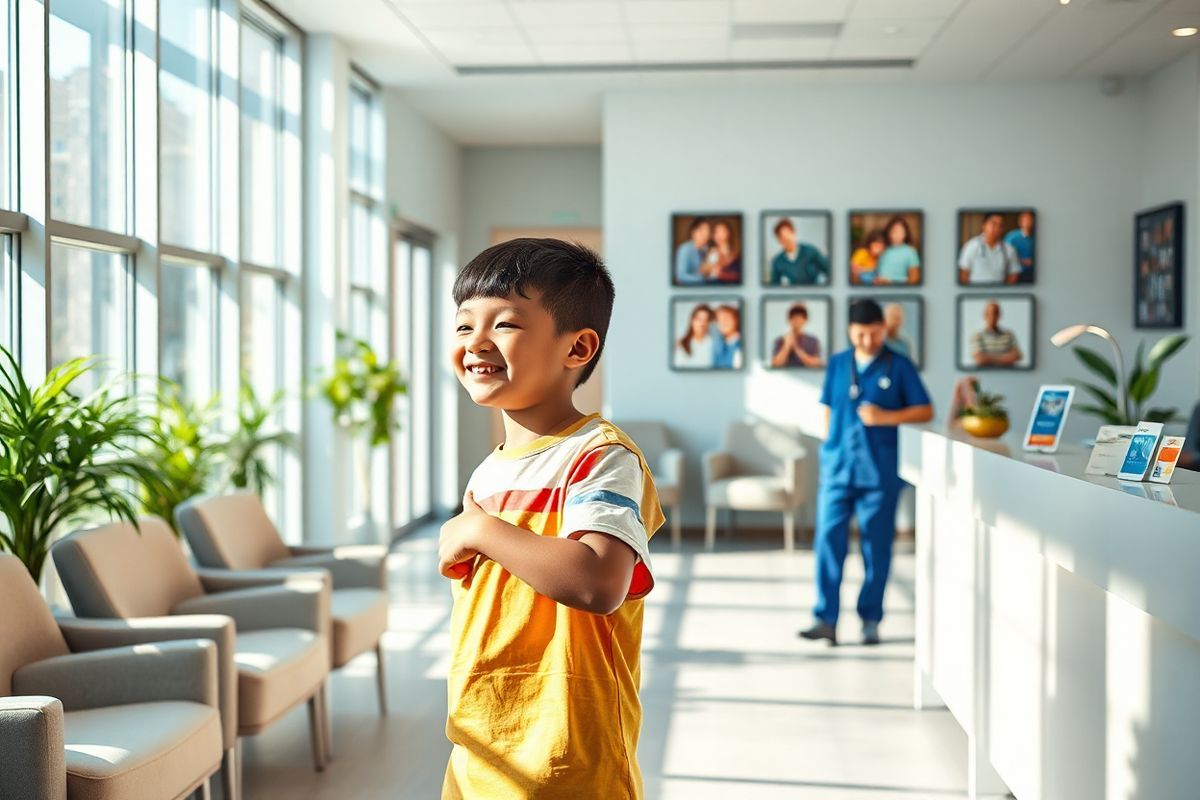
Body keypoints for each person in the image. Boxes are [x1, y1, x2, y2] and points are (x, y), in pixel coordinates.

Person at [439, 238, 665, 798]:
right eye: (465, 326)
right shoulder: (489, 470)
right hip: (481, 742)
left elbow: (595, 581)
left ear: (577, 348)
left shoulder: (602, 456)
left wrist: (479, 529)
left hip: (568, 757)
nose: (476, 343)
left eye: (506, 325)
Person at [799, 299, 933, 646]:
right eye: (860, 335)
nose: (868, 342)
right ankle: (825, 619)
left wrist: (885, 418)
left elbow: (925, 410)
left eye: (874, 334)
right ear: (850, 331)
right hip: (838, 469)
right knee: (828, 541)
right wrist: (830, 448)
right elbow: (829, 408)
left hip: (880, 473)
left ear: (884, 330)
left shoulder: (899, 365)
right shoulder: (839, 364)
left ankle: (870, 620)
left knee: (876, 548)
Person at [959, 212, 1022, 285]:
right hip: (975, 292)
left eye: (1000, 225)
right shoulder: (971, 245)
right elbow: (964, 274)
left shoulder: (1009, 249)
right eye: (993, 224)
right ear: (984, 225)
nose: (996, 228)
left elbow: (1014, 274)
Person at [769, 218, 829, 286]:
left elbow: (829, 270)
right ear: (779, 241)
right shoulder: (778, 262)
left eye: (789, 236)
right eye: (783, 239)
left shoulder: (811, 251)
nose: (787, 241)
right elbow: (774, 285)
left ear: (794, 233)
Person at [970, 301, 1022, 367]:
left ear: (999, 315)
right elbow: (979, 359)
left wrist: (989, 358)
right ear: (984, 315)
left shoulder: (1009, 334)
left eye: (995, 313)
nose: (992, 316)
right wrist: (1005, 358)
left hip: (1007, 375)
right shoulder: (977, 336)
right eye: (989, 313)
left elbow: (1016, 356)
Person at [771, 303, 824, 368]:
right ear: (789, 320)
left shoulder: (813, 341)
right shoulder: (780, 340)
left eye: (800, 318)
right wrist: (786, 346)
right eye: (794, 318)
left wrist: (797, 349)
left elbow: (817, 364)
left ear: (805, 320)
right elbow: (776, 364)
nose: (797, 322)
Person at [873, 217, 921, 285]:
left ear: (905, 234)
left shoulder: (911, 252)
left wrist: (891, 282)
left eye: (900, 231)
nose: (896, 235)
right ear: (889, 233)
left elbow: (914, 279)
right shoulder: (883, 249)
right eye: (893, 231)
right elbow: (876, 271)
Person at [674, 303, 716, 369]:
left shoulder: (714, 343)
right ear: (692, 321)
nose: (702, 324)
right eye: (699, 319)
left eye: (706, 320)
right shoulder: (681, 343)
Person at [675, 218, 710, 285]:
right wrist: (703, 279)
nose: (705, 235)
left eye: (707, 232)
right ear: (693, 232)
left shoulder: (705, 249)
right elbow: (681, 276)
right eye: (701, 231)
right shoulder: (685, 249)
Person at [1004, 210, 1035, 282]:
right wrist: (1024, 261)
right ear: (1020, 221)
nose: (1029, 221)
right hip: (1017, 275)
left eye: (1031, 219)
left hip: (1034, 275)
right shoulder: (1011, 237)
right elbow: (1005, 258)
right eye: (1026, 219)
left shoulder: (1037, 237)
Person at [711, 304, 743, 369]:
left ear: (736, 320)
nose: (723, 322)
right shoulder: (717, 345)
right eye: (719, 320)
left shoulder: (741, 345)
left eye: (726, 318)